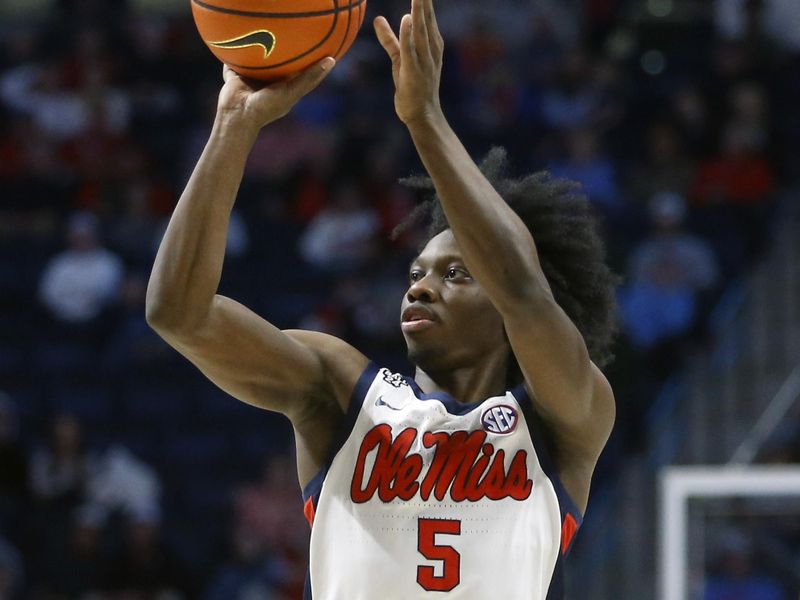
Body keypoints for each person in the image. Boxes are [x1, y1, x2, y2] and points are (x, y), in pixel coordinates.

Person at [146, 0, 618, 597]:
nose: (419, 285)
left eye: (456, 274)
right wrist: (233, 125)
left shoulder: (562, 420)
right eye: (417, 271)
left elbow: (525, 292)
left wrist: (425, 120)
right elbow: (177, 313)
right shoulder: (342, 389)